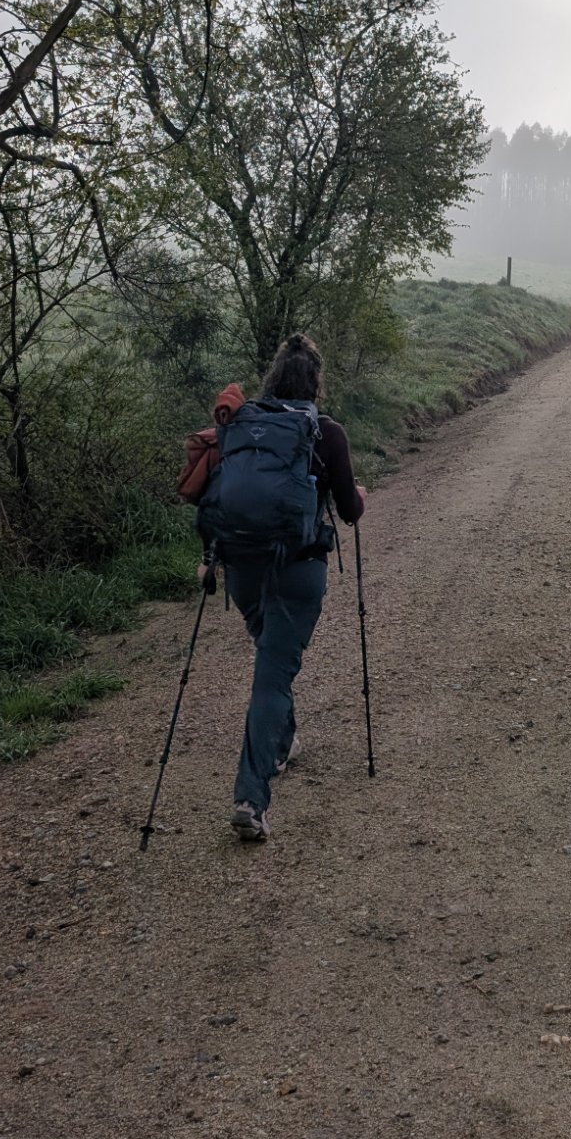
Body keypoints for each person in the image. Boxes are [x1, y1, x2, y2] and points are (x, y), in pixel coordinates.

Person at [182, 333, 365, 842]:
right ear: (317, 382)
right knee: (273, 674)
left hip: (242, 566)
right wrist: (360, 495)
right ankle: (250, 797)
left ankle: (281, 745)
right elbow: (349, 510)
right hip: (298, 570)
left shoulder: (242, 425)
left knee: (272, 656)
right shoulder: (325, 432)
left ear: (272, 377)